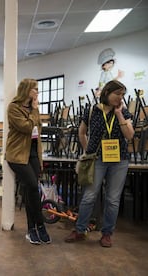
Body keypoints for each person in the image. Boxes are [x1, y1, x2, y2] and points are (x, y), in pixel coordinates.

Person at [65, 80, 134, 247]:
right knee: (89, 197)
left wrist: (119, 114)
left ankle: (107, 234)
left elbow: (130, 135)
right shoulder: (92, 110)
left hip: (119, 159)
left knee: (112, 200)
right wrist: (87, 151)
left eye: (122, 95)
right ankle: (80, 230)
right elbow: (82, 133)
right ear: (107, 93)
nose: (120, 97)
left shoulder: (124, 112)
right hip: (97, 159)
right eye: (117, 94)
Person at [5, 78, 51, 245]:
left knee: (31, 192)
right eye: (35, 89)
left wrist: (34, 113)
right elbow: (26, 127)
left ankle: (32, 230)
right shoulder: (14, 108)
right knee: (31, 187)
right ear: (26, 90)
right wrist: (35, 111)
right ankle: (40, 226)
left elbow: (38, 130)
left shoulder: (33, 109)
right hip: (17, 155)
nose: (37, 92)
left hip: (33, 155)